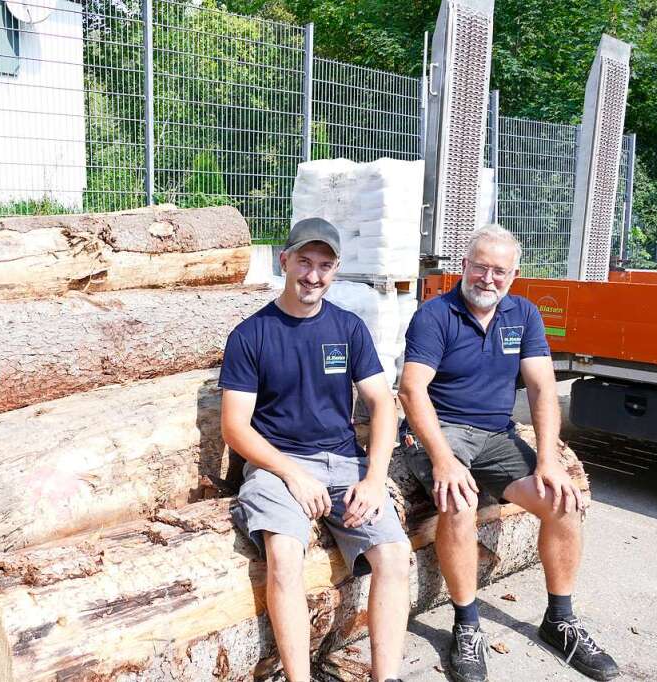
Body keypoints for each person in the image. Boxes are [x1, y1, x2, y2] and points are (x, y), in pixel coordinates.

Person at [397, 224, 620, 682]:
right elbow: (412, 389)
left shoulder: (524, 314)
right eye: (480, 267)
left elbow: (541, 388)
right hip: (441, 431)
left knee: (563, 502)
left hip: (497, 436)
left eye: (499, 271)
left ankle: (560, 621)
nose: (488, 278)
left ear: (513, 275)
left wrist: (548, 462)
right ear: (464, 266)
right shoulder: (435, 315)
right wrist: (442, 458)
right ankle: (467, 625)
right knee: (459, 502)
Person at [220, 217, 411, 682]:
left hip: (345, 464)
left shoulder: (348, 329)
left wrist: (372, 478)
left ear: (336, 270)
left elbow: (383, 405)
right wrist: (291, 473)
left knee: (394, 556)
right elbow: (235, 427)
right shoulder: (251, 335)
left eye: (325, 265)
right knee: (286, 554)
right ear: (284, 261)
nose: (313, 275)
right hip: (275, 466)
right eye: (304, 261)